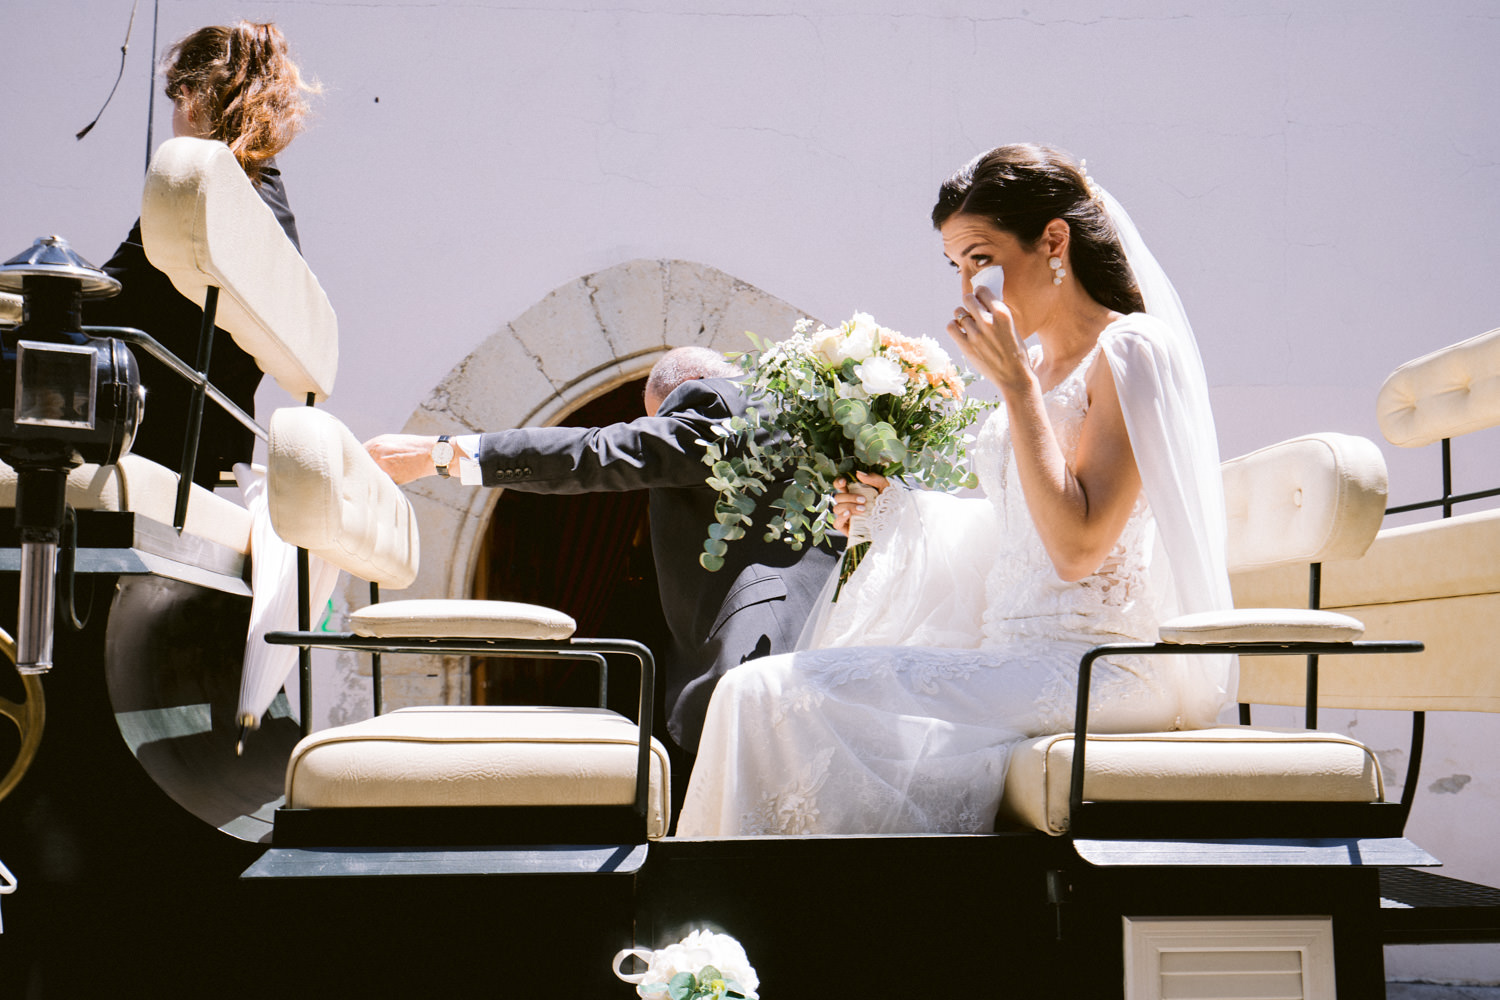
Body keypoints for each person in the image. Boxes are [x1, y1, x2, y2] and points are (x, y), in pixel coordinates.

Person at [677, 144, 1234, 837]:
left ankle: (759, 922)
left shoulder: (1129, 351)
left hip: (1100, 668)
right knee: (750, 693)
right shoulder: (1031, 362)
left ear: (1053, 241)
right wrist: (894, 512)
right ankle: (735, 926)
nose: (969, 287)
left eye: (981, 257)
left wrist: (1018, 391)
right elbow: (1011, 531)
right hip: (1009, 654)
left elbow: (1078, 548)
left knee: (773, 693)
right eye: (957, 265)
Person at [363, 346, 843, 784]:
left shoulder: (718, 406)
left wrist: (442, 455)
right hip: (836, 640)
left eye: (657, 420)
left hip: (761, 661)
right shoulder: (809, 414)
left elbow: (596, 453)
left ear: (686, 389)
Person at [86, 21, 318, 488]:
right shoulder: (266, 195)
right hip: (201, 447)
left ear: (189, 98)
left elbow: (108, 298)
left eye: (175, 99)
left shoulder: (195, 190)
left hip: (145, 437)